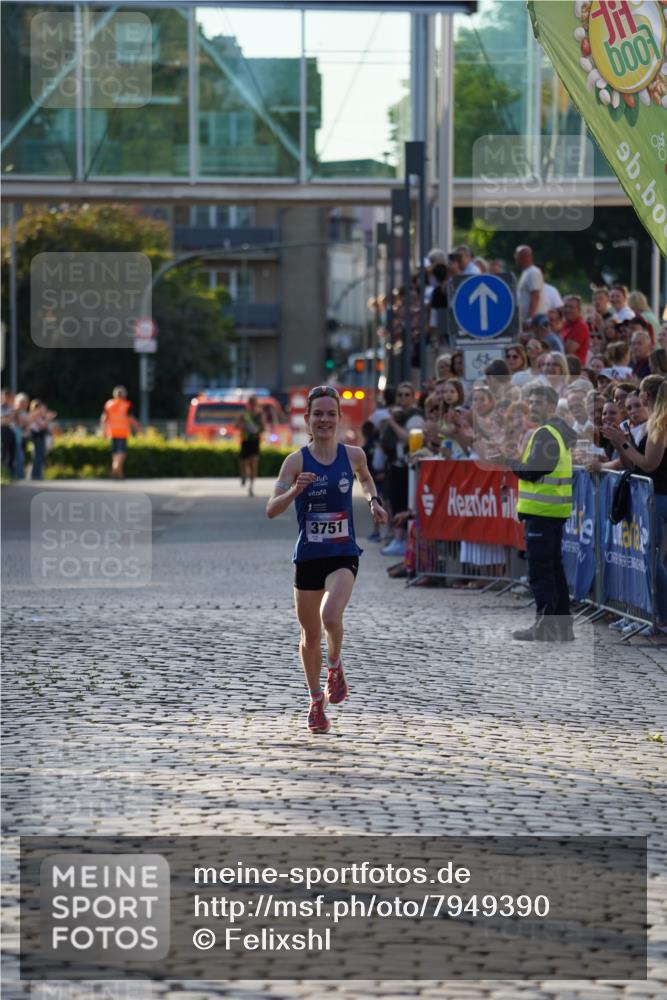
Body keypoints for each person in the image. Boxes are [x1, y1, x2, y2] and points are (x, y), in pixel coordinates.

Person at [266, 385, 388, 734]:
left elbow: (365, 479)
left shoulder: (353, 455)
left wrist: (373, 501)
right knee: (309, 635)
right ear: (307, 420)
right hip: (308, 557)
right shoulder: (295, 461)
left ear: (339, 418)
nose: (324, 419)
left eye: (330, 414)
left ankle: (335, 665)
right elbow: (271, 510)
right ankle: (316, 700)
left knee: (330, 615)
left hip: (343, 553)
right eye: (317, 414)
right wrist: (294, 490)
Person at [492, 384, 576, 641]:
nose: (532, 407)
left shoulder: (546, 433)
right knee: (553, 569)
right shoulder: (553, 432)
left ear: (551, 406)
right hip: (551, 510)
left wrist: (510, 462)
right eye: (531, 402)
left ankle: (546, 626)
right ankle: (562, 626)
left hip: (543, 511)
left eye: (538, 402)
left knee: (541, 572)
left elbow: (534, 471)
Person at [602, 375, 667, 633]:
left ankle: (661, 618)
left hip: (660, 498)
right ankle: (653, 617)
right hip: (654, 498)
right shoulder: (655, 423)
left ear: (647, 397)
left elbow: (649, 463)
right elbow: (634, 462)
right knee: (653, 560)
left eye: (639, 393)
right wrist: (622, 445)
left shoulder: (660, 425)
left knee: (653, 561)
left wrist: (623, 443)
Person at [101, 386, 141, 479]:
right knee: (122, 453)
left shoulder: (109, 404)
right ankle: (115, 468)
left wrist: (103, 431)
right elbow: (131, 418)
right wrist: (138, 427)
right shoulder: (126, 405)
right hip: (122, 432)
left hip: (112, 432)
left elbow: (104, 419)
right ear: (124, 395)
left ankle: (120, 474)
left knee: (115, 453)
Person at [237, 395, 265, 497]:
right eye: (251, 402)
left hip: (255, 441)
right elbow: (236, 425)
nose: (253, 404)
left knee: (253, 464)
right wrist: (244, 426)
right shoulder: (244, 414)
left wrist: (257, 429)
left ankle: (251, 487)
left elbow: (264, 427)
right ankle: (244, 475)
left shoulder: (260, 414)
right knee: (243, 463)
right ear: (249, 403)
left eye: (254, 402)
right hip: (245, 441)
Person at [515, 245, 545, 329]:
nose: (516, 259)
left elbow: (535, 295)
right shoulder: (525, 273)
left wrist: (530, 319)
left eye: (517, 256)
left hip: (533, 323)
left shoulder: (533, 272)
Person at [28, 399, 56, 480]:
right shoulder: (33, 416)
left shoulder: (39, 417)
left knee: (40, 456)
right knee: (37, 457)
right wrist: (48, 419)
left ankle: (37, 475)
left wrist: (47, 419)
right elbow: (42, 426)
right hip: (36, 437)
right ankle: (34, 475)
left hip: (40, 437)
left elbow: (46, 427)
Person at [561, 295, 590, 365]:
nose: (567, 310)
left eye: (571, 307)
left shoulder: (580, 326)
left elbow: (566, 351)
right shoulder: (564, 324)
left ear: (579, 309)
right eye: (565, 307)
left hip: (574, 370)